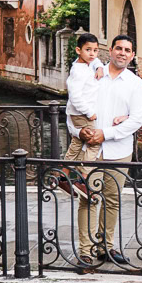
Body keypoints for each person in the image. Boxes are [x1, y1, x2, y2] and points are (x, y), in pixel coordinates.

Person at [76, 35, 142, 268]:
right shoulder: (92, 76)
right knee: (89, 199)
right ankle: (85, 251)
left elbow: (137, 119)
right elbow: (73, 109)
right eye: (119, 48)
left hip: (119, 149)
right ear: (111, 51)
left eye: (128, 50)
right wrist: (78, 133)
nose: (123, 53)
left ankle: (105, 246)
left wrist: (106, 134)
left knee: (112, 200)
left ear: (132, 55)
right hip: (90, 150)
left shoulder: (135, 83)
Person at [60, 32, 103, 200]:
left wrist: (99, 65)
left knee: (77, 144)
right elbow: (75, 96)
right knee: (94, 143)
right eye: (88, 50)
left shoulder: (87, 64)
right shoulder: (78, 71)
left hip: (76, 113)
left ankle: (62, 176)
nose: (92, 54)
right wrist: (90, 113)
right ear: (79, 50)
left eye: (95, 50)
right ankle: (83, 180)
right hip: (81, 113)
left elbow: (95, 60)